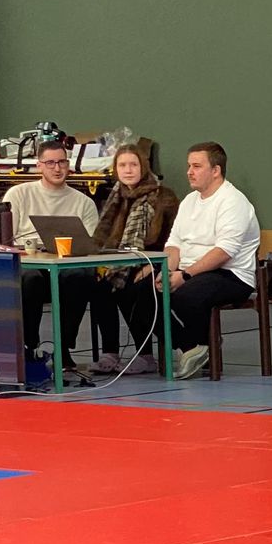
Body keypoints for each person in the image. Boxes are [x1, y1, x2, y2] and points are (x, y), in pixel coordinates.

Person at [153, 142, 261, 379]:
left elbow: (224, 252)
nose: (189, 172)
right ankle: (191, 347)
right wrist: (167, 271)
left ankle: (202, 345)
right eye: (189, 166)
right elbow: (174, 243)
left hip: (230, 274)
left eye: (196, 166)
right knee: (139, 293)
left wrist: (185, 275)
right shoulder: (189, 201)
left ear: (216, 170)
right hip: (189, 269)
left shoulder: (233, 201)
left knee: (185, 295)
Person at [3, 141, 100, 378]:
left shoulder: (84, 202)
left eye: (62, 162)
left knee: (79, 276)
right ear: (39, 166)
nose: (57, 168)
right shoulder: (19, 194)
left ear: (68, 165)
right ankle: (29, 346)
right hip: (31, 268)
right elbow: (5, 241)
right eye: (50, 163)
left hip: (65, 269)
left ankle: (64, 347)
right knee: (30, 279)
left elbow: (89, 248)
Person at [88, 145, 178, 374]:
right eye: (122, 165)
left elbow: (173, 240)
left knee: (131, 288)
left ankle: (145, 355)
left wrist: (153, 266)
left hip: (154, 261)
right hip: (122, 261)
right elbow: (103, 238)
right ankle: (110, 352)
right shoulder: (115, 195)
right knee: (99, 287)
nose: (128, 170)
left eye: (133, 165)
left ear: (143, 167)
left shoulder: (163, 196)